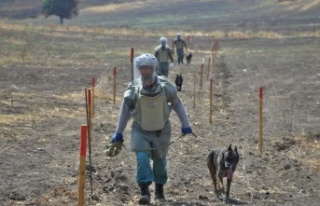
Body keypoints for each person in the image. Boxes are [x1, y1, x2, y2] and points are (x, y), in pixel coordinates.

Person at [111, 53, 193, 205]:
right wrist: (119, 132)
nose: (144, 71)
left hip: (161, 131)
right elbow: (125, 110)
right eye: (142, 68)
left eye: (147, 68)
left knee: (160, 162)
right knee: (142, 159)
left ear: (154, 68)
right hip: (140, 130)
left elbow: (177, 104)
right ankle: (144, 192)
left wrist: (185, 124)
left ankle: (160, 192)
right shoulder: (134, 89)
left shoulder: (166, 87)